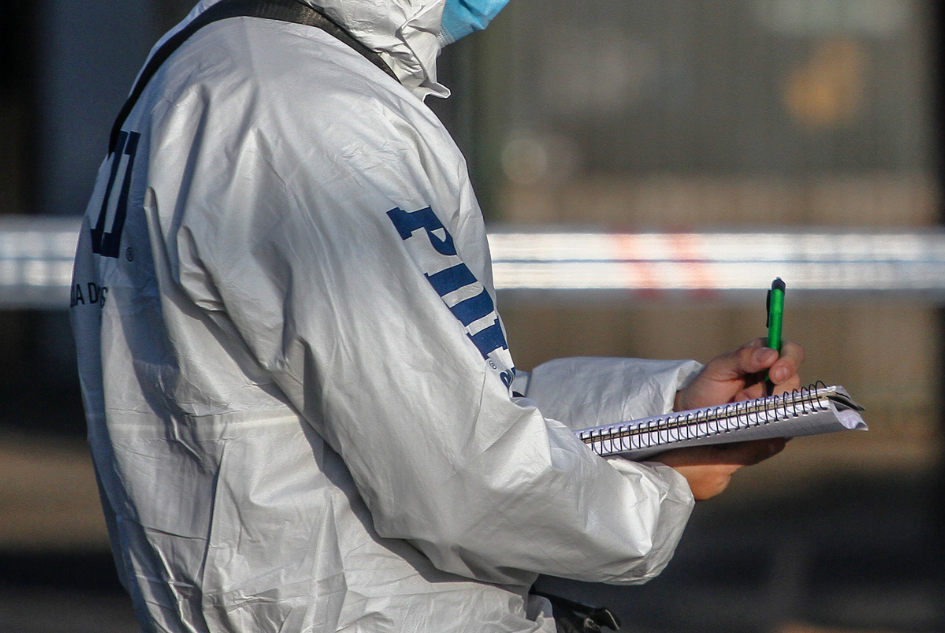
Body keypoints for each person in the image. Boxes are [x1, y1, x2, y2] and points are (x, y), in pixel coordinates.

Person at [70, 0, 803, 630]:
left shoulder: (217, 63)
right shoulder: (315, 117)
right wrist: (663, 489)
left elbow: (445, 395)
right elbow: (461, 476)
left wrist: (668, 410)